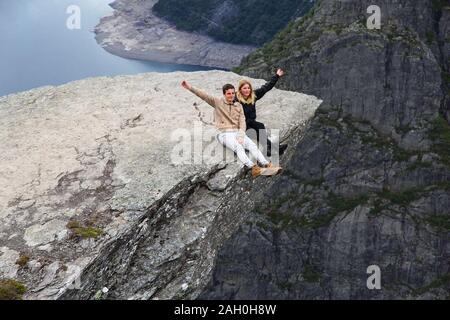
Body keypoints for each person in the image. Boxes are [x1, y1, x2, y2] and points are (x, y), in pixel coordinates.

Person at [181, 80, 282, 178]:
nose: (231, 95)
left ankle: (267, 165)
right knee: (239, 147)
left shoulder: (238, 105)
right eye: (228, 93)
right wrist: (190, 87)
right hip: (223, 133)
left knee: (252, 146)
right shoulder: (217, 102)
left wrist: (242, 134)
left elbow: (242, 121)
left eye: (233, 93)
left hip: (237, 132)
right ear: (224, 94)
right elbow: (203, 95)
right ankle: (254, 168)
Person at [236, 68, 288, 157]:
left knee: (260, 126)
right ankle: (274, 149)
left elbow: (266, 87)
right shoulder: (236, 100)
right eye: (244, 88)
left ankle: (271, 149)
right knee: (254, 132)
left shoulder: (253, 96)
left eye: (248, 88)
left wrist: (277, 76)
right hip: (241, 125)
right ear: (240, 89)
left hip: (250, 122)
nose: (247, 90)